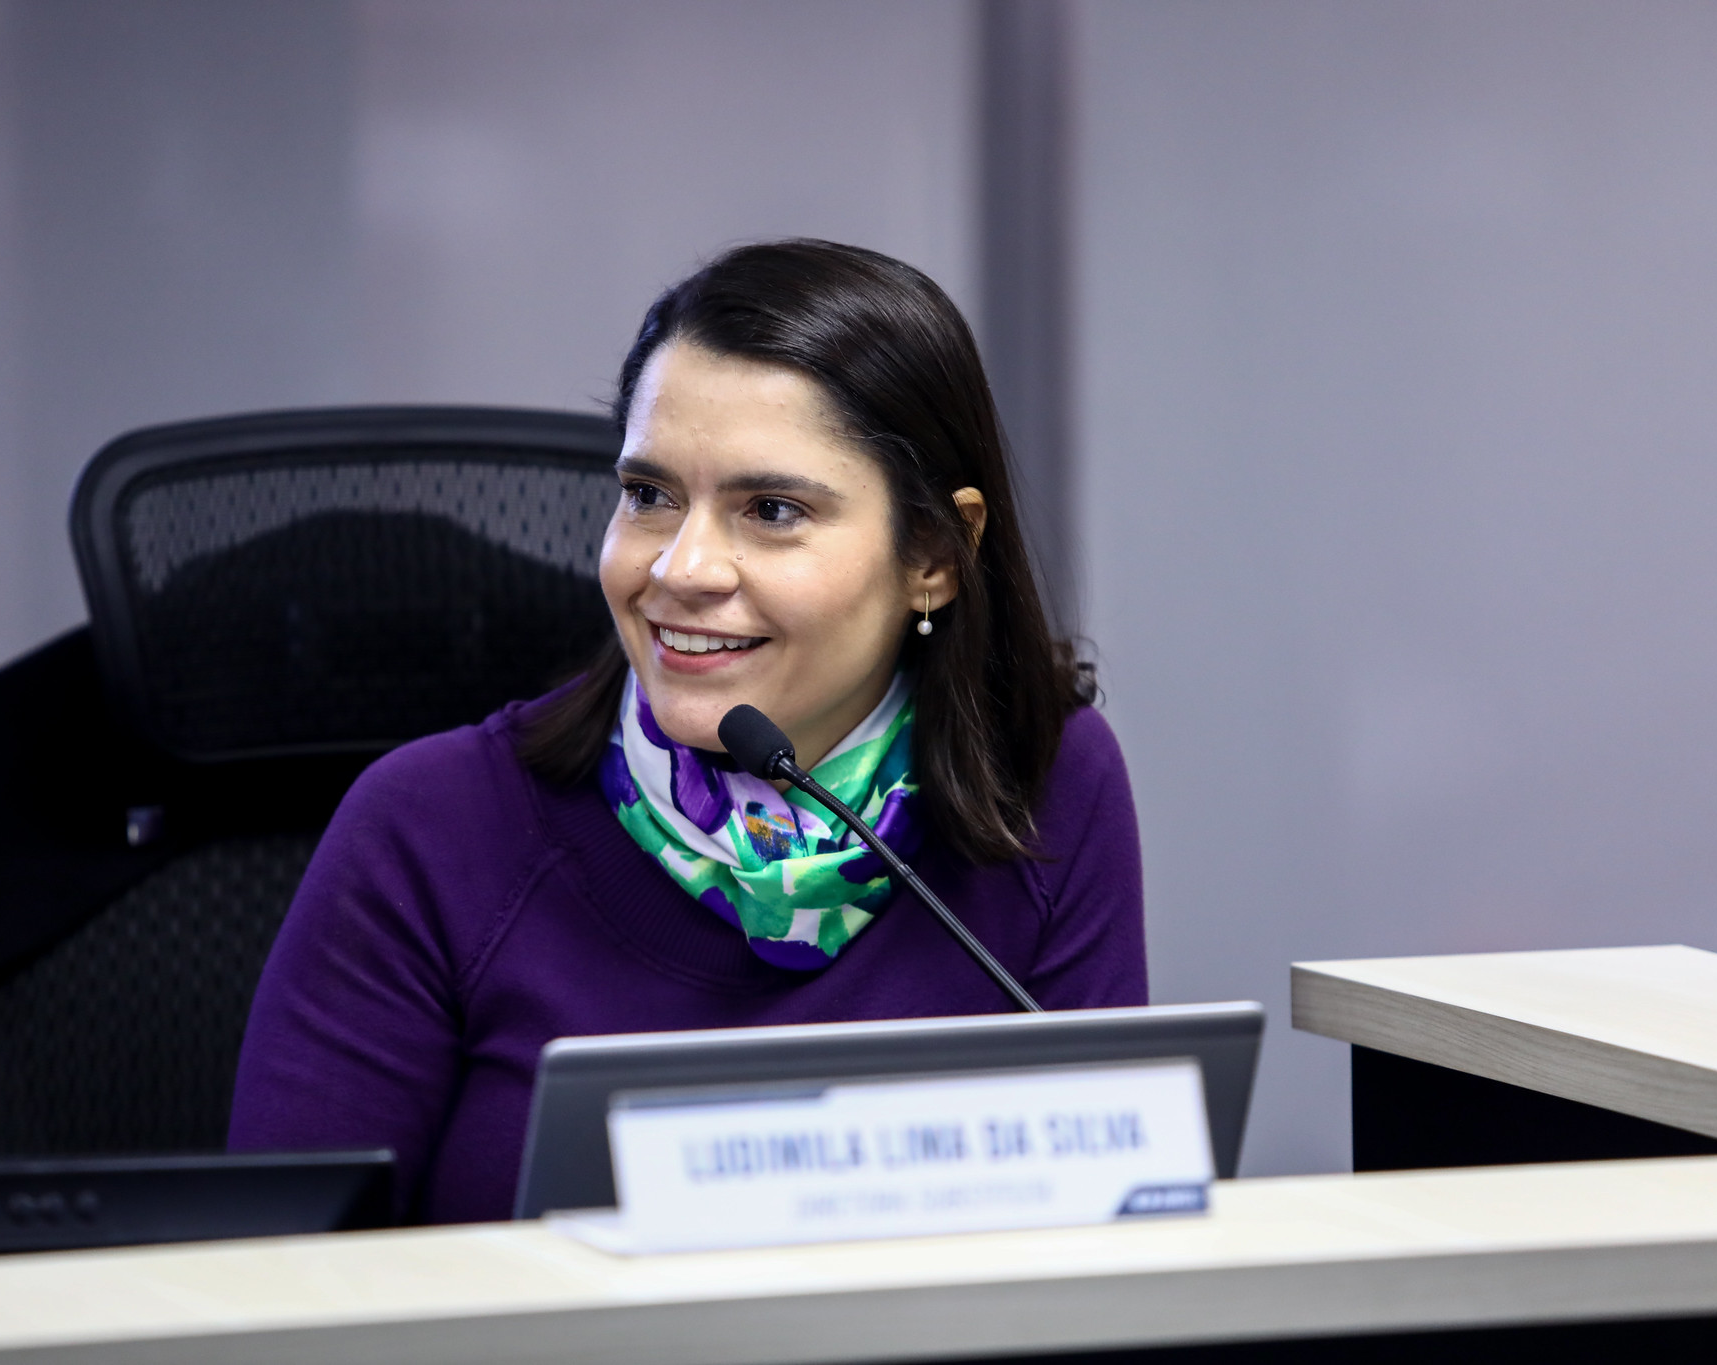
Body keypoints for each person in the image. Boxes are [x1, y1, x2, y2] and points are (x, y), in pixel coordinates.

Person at [228, 239, 1145, 1223]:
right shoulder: (429, 827)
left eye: (771, 510)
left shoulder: (1043, 776)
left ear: (932, 555)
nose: (680, 568)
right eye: (649, 496)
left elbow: (1101, 1235)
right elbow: (277, 1291)